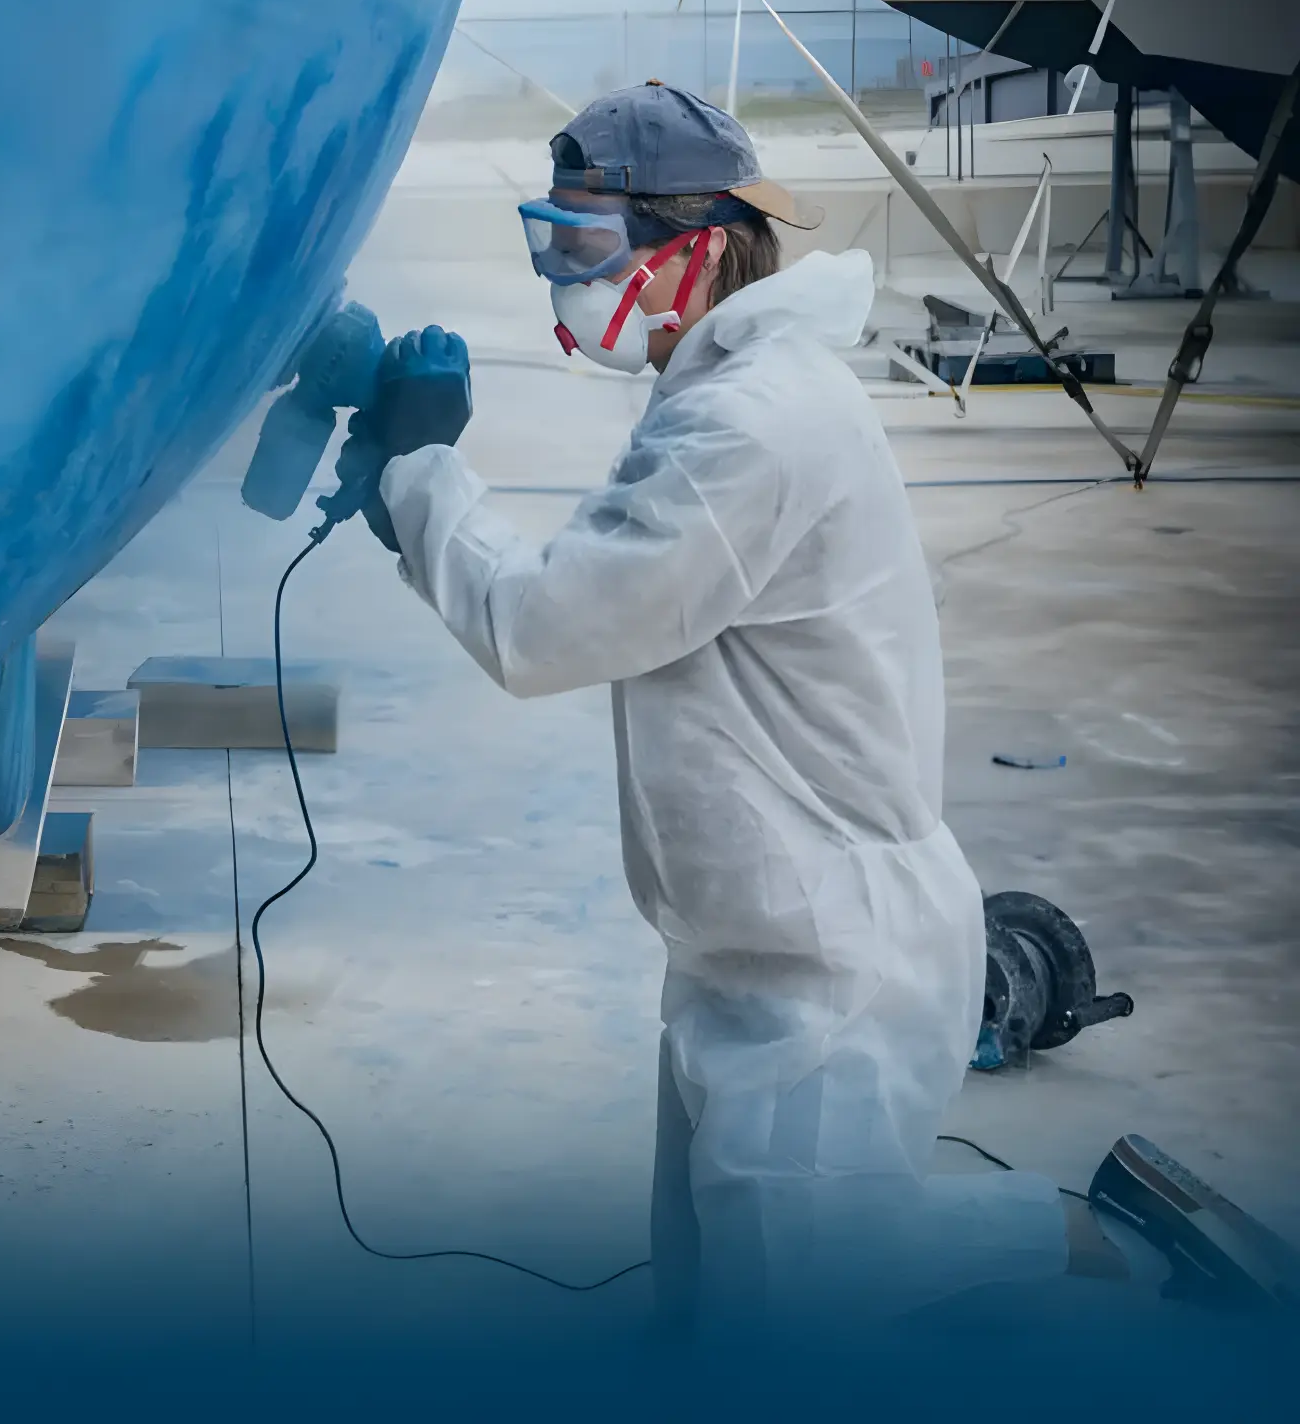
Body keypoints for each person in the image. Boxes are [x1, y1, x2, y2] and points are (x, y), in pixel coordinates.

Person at [369, 84, 1070, 1328]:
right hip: (744, 950)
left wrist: (423, 470)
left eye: (582, 247)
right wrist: (415, 503)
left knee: (783, 1334)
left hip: (831, 965)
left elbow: (542, 626)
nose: (561, 279)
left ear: (693, 246)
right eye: (547, 239)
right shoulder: (719, 388)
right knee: (704, 1325)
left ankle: (1062, 1238)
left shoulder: (753, 424)